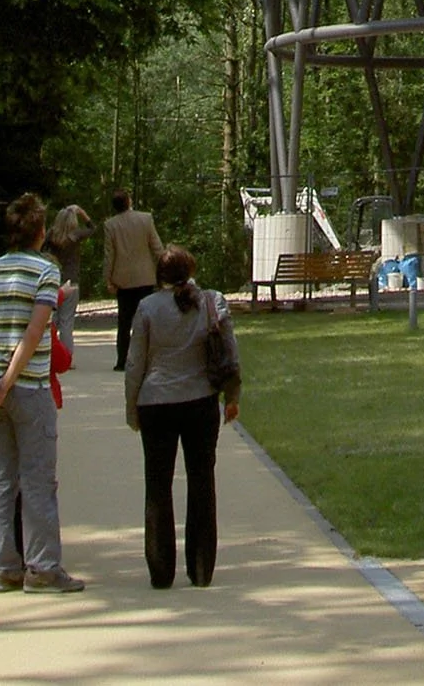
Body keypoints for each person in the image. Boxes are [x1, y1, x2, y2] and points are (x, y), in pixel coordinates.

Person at [0, 193, 85, 594]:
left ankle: (4, 567)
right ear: (41, 232)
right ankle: (44, 567)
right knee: (37, 479)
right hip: (27, 386)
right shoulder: (45, 272)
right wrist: (9, 380)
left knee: (1, 477)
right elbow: (35, 332)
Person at [124, 245, 240, 589]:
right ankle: (202, 568)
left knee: (157, 486)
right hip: (201, 401)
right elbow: (230, 351)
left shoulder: (146, 308)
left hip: (156, 402)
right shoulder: (212, 301)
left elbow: (135, 364)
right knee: (202, 482)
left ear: (159, 276)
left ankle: (161, 571)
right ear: (191, 270)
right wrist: (232, 397)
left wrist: (132, 408)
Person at [103, 188, 163, 371]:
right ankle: (148, 360)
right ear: (128, 201)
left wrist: (108, 279)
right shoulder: (145, 219)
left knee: (124, 322)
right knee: (147, 321)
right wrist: (164, 270)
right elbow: (157, 247)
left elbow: (109, 254)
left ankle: (122, 360)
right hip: (145, 278)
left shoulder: (111, 225)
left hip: (123, 280)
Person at [45, 203, 94, 362]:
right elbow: (93, 228)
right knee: (67, 321)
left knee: (52, 319)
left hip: (53, 279)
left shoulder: (51, 236)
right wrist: (83, 213)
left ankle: (48, 352)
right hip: (71, 281)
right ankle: (66, 357)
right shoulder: (76, 235)